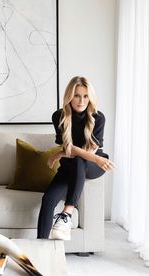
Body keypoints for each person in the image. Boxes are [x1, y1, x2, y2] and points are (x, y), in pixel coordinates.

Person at [37, 76, 114, 240]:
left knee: (80, 159)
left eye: (86, 96)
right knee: (48, 199)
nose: (81, 101)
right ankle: (40, 245)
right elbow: (69, 148)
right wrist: (64, 152)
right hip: (72, 165)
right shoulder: (58, 116)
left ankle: (66, 214)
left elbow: (89, 152)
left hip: (92, 165)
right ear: (69, 96)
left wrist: (96, 159)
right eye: (77, 95)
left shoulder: (98, 117)